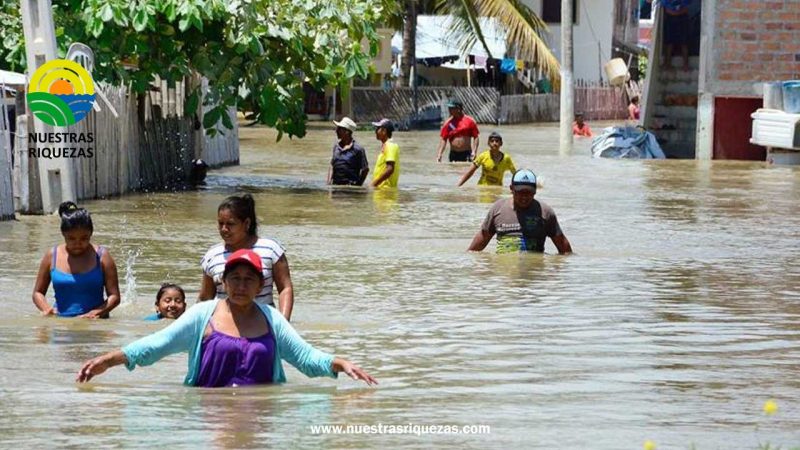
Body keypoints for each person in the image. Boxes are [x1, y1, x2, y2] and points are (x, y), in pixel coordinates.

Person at [77, 249, 377, 387]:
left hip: (263, 416)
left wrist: (339, 363)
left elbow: (306, 358)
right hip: (209, 417)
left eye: (249, 279)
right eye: (235, 278)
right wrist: (110, 359)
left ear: (261, 286)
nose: (241, 285)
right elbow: (155, 345)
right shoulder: (200, 315)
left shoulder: (272, 320)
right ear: (223, 283)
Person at [199, 194, 295, 321]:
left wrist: (283, 324)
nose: (224, 229)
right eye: (220, 223)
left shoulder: (271, 250)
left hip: (264, 326)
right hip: (223, 327)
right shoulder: (212, 255)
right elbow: (205, 298)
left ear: (247, 223)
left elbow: (285, 288)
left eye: (230, 224)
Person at [32, 201, 121, 318]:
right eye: (72, 238)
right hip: (61, 326)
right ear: (63, 234)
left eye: (84, 238)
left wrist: (95, 313)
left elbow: (115, 296)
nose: (78, 243)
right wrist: (46, 309)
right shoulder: (51, 256)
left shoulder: (102, 257)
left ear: (91, 234)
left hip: (95, 325)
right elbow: (37, 293)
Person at [468, 169, 572, 255]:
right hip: (505, 274)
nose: (524, 197)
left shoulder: (545, 213)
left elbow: (565, 250)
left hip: (534, 274)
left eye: (528, 193)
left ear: (535, 191)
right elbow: (480, 242)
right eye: (520, 192)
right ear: (511, 189)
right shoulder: (497, 209)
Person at [327, 117, 369, 186]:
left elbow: (365, 169)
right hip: (336, 187)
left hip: (350, 187)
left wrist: (358, 185)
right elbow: (332, 165)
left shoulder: (358, 149)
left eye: (339, 129)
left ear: (347, 132)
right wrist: (328, 184)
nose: (336, 131)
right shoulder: (336, 147)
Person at [660, 0, 691, 71]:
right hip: (670, 18)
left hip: (682, 18)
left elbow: (687, 6)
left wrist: (676, 11)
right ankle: (667, 64)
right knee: (669, 42)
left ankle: (685, 65)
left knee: (684, 42)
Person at [370, 118, 400, 188]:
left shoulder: (390, 146)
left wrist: (373, 184)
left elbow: (390, 169)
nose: (375, 131)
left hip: (385, 192)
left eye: (378, 129)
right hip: (381, 190)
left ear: (384, 131)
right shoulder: (386, 146)